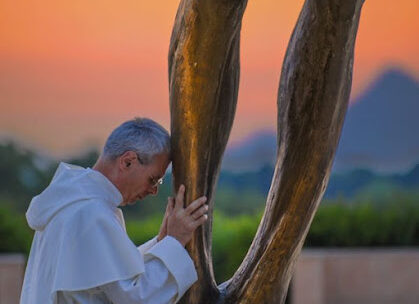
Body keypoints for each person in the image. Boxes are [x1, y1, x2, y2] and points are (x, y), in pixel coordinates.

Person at [20, 118, 208, 304]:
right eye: (153, 179)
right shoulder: (90, 213)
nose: (154, 190)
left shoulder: (72, 203)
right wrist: (175, 241)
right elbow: (135, 298)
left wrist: (162, 243)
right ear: (128, 161)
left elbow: (109, 281)